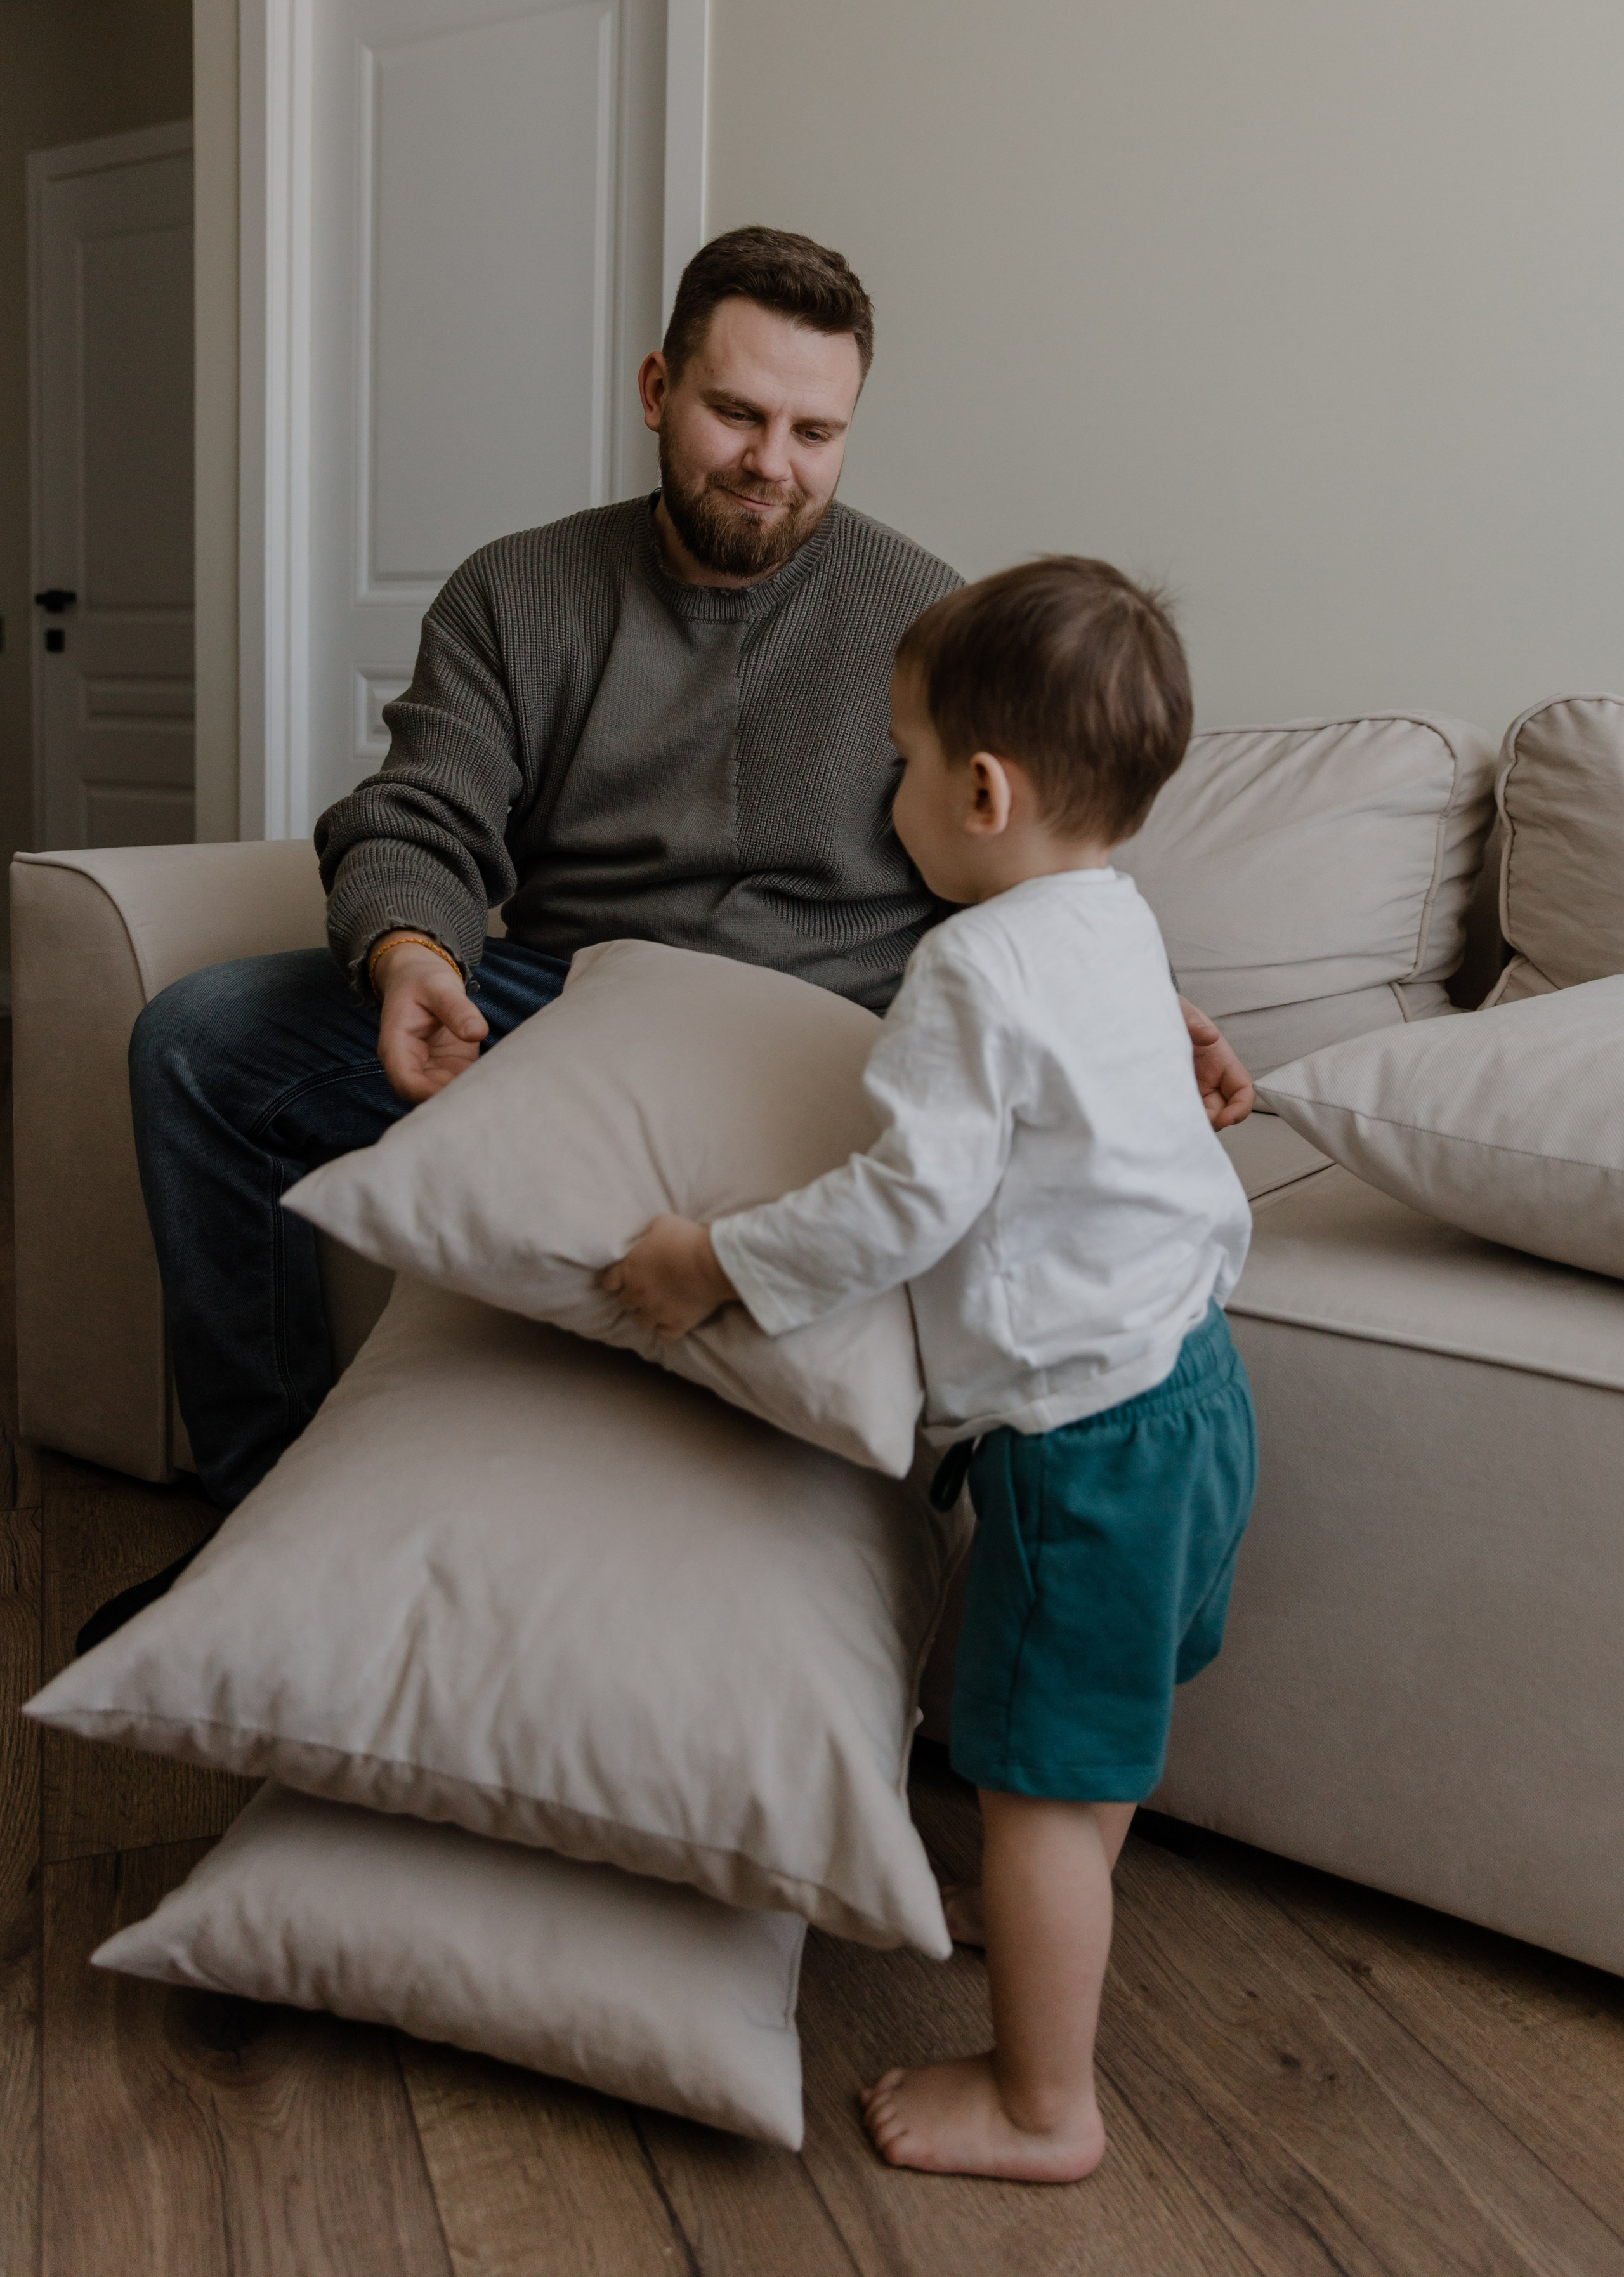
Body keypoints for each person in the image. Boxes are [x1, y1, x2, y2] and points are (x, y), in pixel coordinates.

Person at [84, 227, 1252, 1652]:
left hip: (832, 1020)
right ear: (655, 389)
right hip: (574, 995)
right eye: (736, 413)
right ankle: (264, 1532)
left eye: (815, 430)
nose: (774, 460)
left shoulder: (923, 615)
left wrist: (1144, 1014)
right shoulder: (519, 593)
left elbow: (1033, 853)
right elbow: (418, 808)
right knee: (197, 1047)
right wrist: (412, 952)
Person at [603, 557, 1258, 2183]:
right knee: (1094, 1744)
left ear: (979, 789)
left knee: (1029, 1778)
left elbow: (902, 1200)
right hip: (1202, 1393)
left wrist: (712, 1260)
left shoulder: (965, 972)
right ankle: (1050, 1905)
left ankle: (1046, 2105)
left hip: (1084, 1443)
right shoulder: (1111, 915)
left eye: (897, 759)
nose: (885, 786)